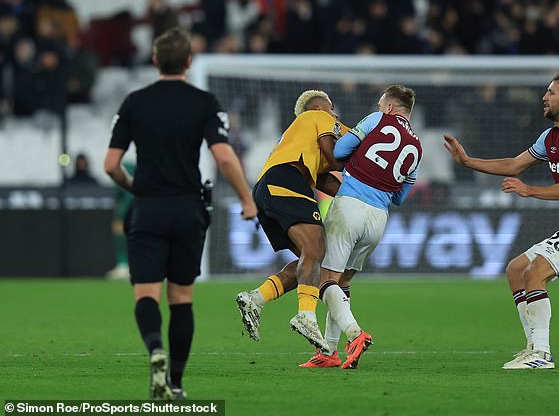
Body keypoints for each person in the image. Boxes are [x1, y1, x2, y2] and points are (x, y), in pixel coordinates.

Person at [104, 27, 257, 400]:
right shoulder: (204, 102)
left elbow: (111, 165)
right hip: (188, 208)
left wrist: (133, 187)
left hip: (147, 209)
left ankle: (155, 347)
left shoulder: (135, 102)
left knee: (146, 294)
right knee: (182, 298)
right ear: (189, 62)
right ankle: (176, 382)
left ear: (155, 60)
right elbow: (223, 155)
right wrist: (246, 199)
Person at [443, 74, 559, 370]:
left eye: (551, 92)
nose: (544, 97)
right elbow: (514, 164)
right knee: (516, 269)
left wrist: (529, 190)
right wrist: (468, 162)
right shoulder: (550, 137)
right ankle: (531, 347)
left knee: (535, 272)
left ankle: (542, 354)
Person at [300, 84, 422, 369]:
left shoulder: (377, 119)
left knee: (325, 279)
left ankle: (355, 333)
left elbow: (340, 150)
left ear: (390, 107)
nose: (380, 108)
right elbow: (402, 197)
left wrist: (358, 158)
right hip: (379, 218)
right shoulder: (417, 146)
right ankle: (328, 353)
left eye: (382, 104)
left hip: (350, 206)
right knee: (342, 283)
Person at [236, 89, 346, 353]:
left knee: (312, 259)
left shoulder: (301, 139)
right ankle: (306, 316)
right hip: (285, 180)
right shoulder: (315, 117)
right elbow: (341, 151)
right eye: (332, 109)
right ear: (321, 107)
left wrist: (356, 196)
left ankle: (256, 299)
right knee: (316, 249)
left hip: (269, 188)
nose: (336, 115)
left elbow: (324, 179)